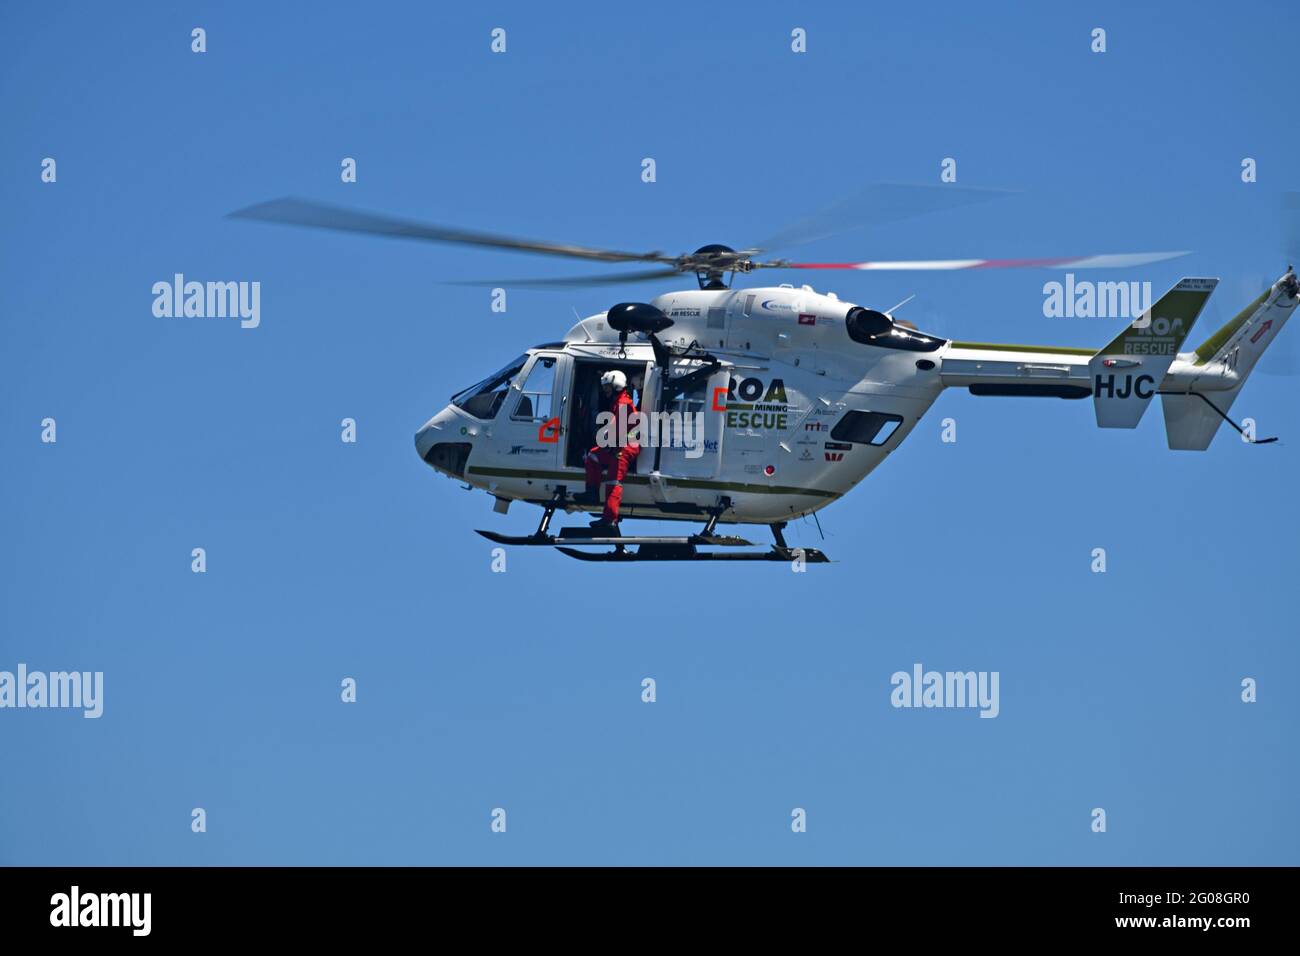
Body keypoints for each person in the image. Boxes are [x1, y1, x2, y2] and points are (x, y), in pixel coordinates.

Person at [578, 369, 640, 529]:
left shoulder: (623, 403)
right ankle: (591, 492)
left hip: (624, 448)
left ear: (616, 386)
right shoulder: (619, 401)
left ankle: (610, 520)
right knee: (592, 456)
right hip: (617, 445)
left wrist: (608, 436)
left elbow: (621, 428)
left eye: (607, 387)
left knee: (613, 482)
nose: (604, 390)